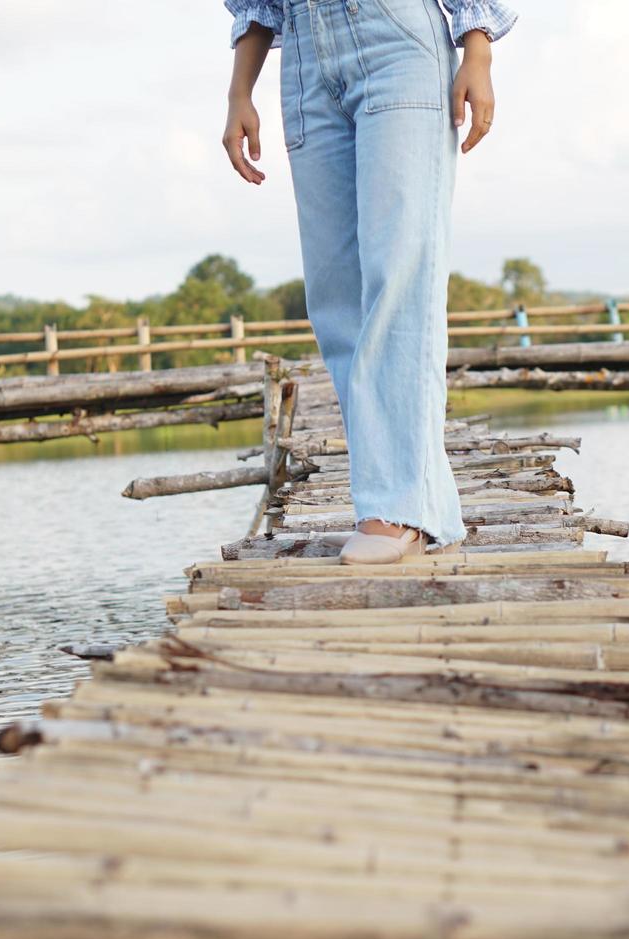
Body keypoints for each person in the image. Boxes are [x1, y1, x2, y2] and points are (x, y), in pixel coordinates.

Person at [222, 0, 517, 564]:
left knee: (399, 274)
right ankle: (398, 505)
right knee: (334, 297)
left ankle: (396, 509)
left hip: (396, 40)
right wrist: (240, 91)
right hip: (304, 59)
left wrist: (477, 51)